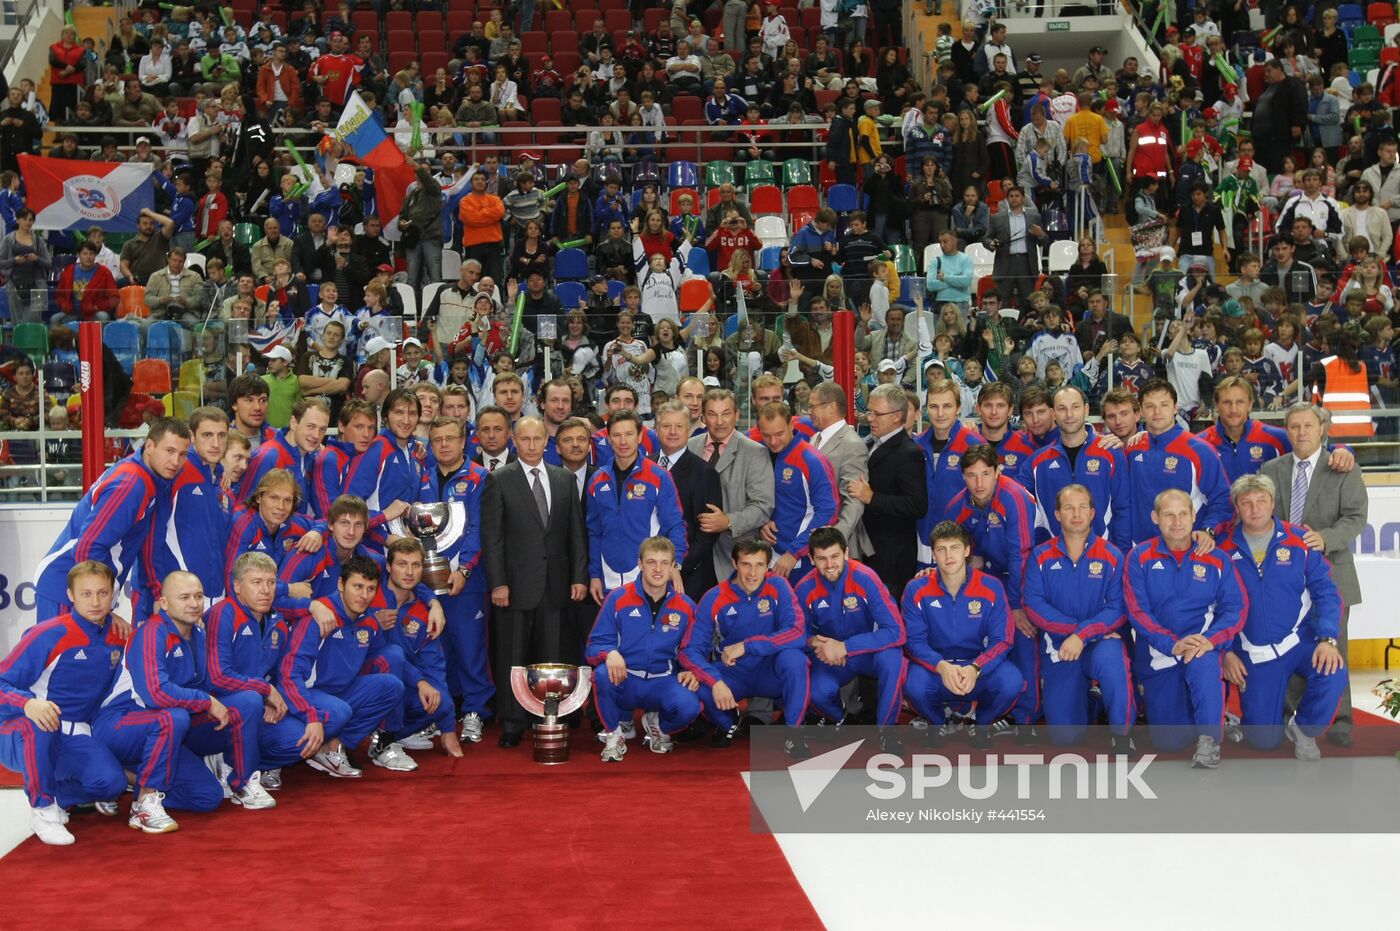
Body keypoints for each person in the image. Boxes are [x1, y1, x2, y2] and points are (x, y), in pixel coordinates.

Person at [96, 570, 275, 834]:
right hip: (121, 725)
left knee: (207, 796)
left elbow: (209, 682)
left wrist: (261, 692)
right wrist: (207, 701)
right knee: (174, 715)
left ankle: (238, 778)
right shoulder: (151, 633)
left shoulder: (198, 636)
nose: (193, 603)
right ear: (165, 603)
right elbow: (156, 694)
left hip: (168, 731)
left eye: (198, 596)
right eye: (184, 597)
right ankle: (144, 802)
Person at [1259, 403, 1367, 747]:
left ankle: (1341, 721)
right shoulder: (1271, 468)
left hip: (1332, 575)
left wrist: (1324, 539)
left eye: (1308, 425)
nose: (1301, 432)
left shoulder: (1343, 468)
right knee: (1289, 644)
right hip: (1286, 580)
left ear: (1323, 429)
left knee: (1335, 649)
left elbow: (1355, 517)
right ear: (1286, 431)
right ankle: (1290, 717)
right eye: (1294, 426)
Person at [1218, 474, 1347, 759]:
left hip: (1299, 642)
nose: (1254, 509)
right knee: (1263, 741)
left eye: (1261, 501)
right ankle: (1247, 721)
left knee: (1332, 669)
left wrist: (1327, 638)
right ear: (1236, 507)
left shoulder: (1300, 540)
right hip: (1254, 652)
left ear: (1273, 503)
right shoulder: (1221, 550)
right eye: (1246, 503)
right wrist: (1225, 652)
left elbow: (1326, 592)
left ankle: (1304, 730)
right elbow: (1211, 608)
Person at [0, 561, 130, 845]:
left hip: (73, 737)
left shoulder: (118, 635)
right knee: (40, 722)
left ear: (113, 595)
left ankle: (58, 797)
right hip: (21, 731)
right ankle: (43, 809)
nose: (95, 602)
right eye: (86, 594)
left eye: (102, 593)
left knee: (112, 783)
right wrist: (27, 703)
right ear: (70, 595)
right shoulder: (48, 634)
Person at [480, 417, 588, 747]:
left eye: (536, 439)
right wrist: (498, 583)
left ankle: (549, 716)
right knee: (513, 656)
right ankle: (512, 722)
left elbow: (576, 535)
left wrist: (579, 577)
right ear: (514, 440)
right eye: (524, 439)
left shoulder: (564, 479)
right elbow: (492, 537)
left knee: (552, 655)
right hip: (513, 587)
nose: (530, 445)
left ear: (546, 441)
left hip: (556, 585)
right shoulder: (499, 480)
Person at [1124, 489, 1248, 768]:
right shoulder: (1139, 557)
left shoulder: (1217, 558)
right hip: (1160, 655)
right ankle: (1214, 712)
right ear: (1155, 518)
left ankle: (1209, 738)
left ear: (1194, 516)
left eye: (1183, 514)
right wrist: (1172, 644)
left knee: (1204, 665)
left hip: (1201, 647)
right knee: (1169, 741)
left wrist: (1211, 641)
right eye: (1168, 514)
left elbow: (1235, 608)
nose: (1177, 521)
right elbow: (1137, 612)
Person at [33, 417, 190, 621]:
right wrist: (103, 607)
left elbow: (148, 548)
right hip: (66, 588)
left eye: (183, 454)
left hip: (82, 589)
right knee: (58, 653)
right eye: (169, 451)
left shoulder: (152, 478)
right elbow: (88, 547)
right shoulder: (131, 484)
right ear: (149, 446)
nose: (176, 461)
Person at [1021, 483, 1134, 752]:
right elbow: (1034, 605)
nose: (1076, 513)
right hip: (1061, 646)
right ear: (1057, 515)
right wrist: (1074, 633)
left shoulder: (1112, 555)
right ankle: (1094, 700)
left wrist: (1084, 635)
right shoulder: (1040, 556)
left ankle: (1121, 734)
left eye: (1083, 507)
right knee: (1064, 736)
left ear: (1093, 513)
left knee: (1114, 664)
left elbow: (1118, 607)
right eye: (1069, 508)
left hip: (1100, 641)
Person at [276, 556, 408, 777]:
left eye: (370, 589)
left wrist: (420, 681)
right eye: (357, 586)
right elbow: (289, 674)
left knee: (392, 686)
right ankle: (274, 761)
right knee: (340, 712)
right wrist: (310, 715)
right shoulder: (319, 617)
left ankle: (333, 747)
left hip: (340, 693)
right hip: (310, 694)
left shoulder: (368, 621)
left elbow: (377, 660)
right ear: (340, 584)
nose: (364, 595)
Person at [941, 445, 1039, 738]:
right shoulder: (957, 506)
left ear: (998, 471)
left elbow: (1021, 553)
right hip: (992, 576)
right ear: (963, 477)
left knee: (1024, 636)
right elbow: (954, 550)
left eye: (986, 474)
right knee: (985, 638)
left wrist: (1018, 605)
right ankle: (970, 707)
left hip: (1030, 575)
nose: (979, 483)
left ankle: (1025, 718)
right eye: (972, 475)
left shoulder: (1014, 497)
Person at [682, 538, 812, 759]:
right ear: (734, 563)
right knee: (698, 688)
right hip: (734, 673)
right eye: (746, 564)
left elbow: (797, 632)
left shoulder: (779, 586)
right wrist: (715, 681)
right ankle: (728, 721)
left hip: (771, 670)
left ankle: (794, 733)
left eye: (760, 565)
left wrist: (747, 646)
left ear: (768, 566)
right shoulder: (714, 597)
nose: (753, 573)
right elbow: (690, 649)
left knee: (796, 661)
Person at [901, 520, 1023, 748]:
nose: (948, 555)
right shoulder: (916, 589)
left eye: (955, 547)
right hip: (936, 669)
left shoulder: (991, 587)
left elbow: (1003, 639)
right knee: (911, 683)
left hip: (976, 667)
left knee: (1012, 681)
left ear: (967, 550)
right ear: (934, 554)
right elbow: (913, 642)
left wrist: (976, 667)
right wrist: (941, 666)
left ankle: (982, 724)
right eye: (941, 549)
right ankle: (937, 723)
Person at [588, 536, 704, 761]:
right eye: (651, 562)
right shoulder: (618, 598)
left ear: (673, 567)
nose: (658, 569)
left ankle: (657, 724)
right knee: (601, 674)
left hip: (663, 682)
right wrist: (609, 653)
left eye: (664, 563)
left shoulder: (686, 606)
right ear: (640, 564)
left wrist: (693, 670)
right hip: (626, 679)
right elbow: (594, 645)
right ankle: (615, 733)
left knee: (690, 704)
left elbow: (695, 648)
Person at [794, 527, 906, 750]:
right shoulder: (804, 588)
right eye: (822, 559)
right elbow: (797, 634)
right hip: (830, 656)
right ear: (811, 559)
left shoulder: (866, 578)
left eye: (835, 556)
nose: (829, 565)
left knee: (894, 660)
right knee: (817, 691)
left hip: (868, 652)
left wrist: (845, 647)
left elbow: (896, 631)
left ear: (846, 553)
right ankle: (842, 718)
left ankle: (888, 731)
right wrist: (815, 642)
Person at [418, 416, 492, 744]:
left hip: (467, 580)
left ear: (464, 442)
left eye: (451, 438)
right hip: (426, 580)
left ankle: (475, 710)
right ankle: (444, 711)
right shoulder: (420, 478)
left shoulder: (479, 477)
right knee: (437, 648)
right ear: (430, 444)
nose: (444, 444)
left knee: (469, 646)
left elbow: (480, 527)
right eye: (438, 440)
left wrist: (464, 570)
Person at [586, 410, 688, 600]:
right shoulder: (597, 480)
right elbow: (594, 531)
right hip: (608, 579)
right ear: (609, 439)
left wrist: (674, 565)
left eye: (629, 434)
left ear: (640, 436)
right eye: (617, 435)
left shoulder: (659, 476)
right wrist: (594, 575)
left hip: (649, 578)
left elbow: (675, 525)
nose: (623, 441)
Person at [374, 539, 460, 761]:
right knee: (392, 656)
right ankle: (383, 740)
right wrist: (372, 622)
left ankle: (393, 734)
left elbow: (434, 667)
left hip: (403, 685)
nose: (409, 572)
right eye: (402, 564)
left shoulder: (425, 612)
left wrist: (449, 728)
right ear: (388, 566)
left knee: (440, 700)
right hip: (364, 683)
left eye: (416, 565)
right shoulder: (369, 593)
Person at [1123, 379, 1232, 546]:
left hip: (1187, 550)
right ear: (1142, 411)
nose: (1157, 412)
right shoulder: (1132, 448)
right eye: (1150, 406)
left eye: (1164, 405)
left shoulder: (1199, 450)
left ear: (1175, 408)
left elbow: (1223, 498)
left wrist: (1208, 529)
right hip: (1142, 551)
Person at [1023, 385, 1131, 550]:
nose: (1069, 415)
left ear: (1086, 409)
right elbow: (1012, 496)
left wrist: (1122, 555)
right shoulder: (1038, 461)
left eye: (1075, 407)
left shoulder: (1111, 454)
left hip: (1102, 558)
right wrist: (1040, 541)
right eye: (1062, 408)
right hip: (1055, 561)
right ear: (1053, 414)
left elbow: (1123, 509)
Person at [686, 388, 776, 582]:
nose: (719, 421)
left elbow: (762, 506)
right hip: (691, 555)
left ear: (737, 415)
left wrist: (728, 521)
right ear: (703, 416)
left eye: (726, 414)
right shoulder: (690, 446)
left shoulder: (755, 453)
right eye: (712, 414)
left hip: (732, 557)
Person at [850, 382, 929, 598]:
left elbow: (917, 505)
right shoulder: (870, 443)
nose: (870, 418)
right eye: (869, 411)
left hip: (891, 560)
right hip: (869, 552)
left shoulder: (908, 452)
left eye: (877, 413)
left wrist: (872, 498)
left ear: (897, 416)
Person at [755, 401, 838, 580]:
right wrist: (762, 521)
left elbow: (828, 512)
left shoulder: (812, 460)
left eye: (779, 434)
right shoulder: (761, 454)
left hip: (801, 560)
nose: (773, 441)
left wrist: (794, 552)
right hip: (769, 556)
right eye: (766, 435)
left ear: (791, 425)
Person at [654, 401, 724, 600]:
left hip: (689, 576)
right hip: (646, 572)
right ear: (656, 429)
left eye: (679, 426)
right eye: (666, 426)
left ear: (688, 430)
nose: (673, 432)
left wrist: (675, 566)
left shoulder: (704, 472)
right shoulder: (645, 466)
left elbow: (707, 532)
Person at [914, 379, 985, 566]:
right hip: (923, 543)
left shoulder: (974, 445)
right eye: (933, 406)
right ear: (926, 409)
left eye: (947, 406)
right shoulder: (917, 445)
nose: (940, 413)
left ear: (958, 408)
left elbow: (986, 500)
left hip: (961, 543)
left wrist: (975, 548)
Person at [807, 381, 872, 558]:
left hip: (840, 547)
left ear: (831, 407)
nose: (809, 412)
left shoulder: (852, 445)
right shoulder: (814, 439)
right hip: (814, 538)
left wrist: (835, 539)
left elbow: (854, 500)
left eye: (813, 406)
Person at [235, 397, 331, 508]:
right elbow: (243, 509)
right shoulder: (268, 457)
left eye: (322, 429)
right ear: (294, 422)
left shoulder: (310, 456)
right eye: (311, 426)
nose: (316, 435)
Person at [345, 388, 427, 515]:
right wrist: (382, 533)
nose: (406, 420)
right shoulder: (375, 450)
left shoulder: (415, 451)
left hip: (406, 533)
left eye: (412, 413)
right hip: (377, 533)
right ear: (385, 415)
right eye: (399, 412)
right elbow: (349, 505)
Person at [982, 185, 1047, 309]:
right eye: (1011, 196)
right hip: (1005, 263)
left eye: (1017, 196)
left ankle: (1028, 325)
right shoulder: (997, 218)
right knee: (1002, 303)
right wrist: (991, 244)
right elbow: (985, 239)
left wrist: (1040, 235)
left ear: (1022, 198)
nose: (1014, 199)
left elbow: (1045, 241)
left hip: (1026, 263)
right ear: (1007, 199)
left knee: (1028, 303)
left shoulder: (1034, 217)